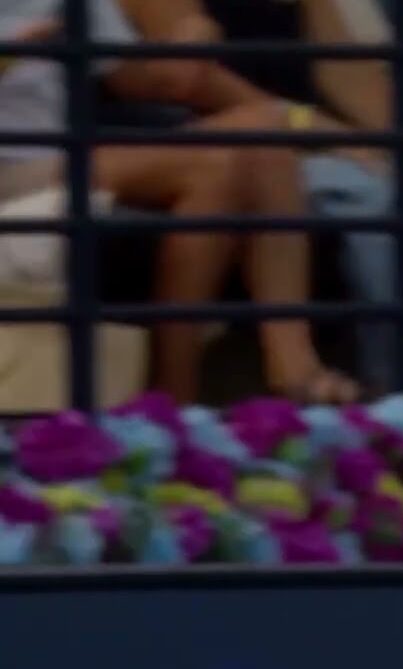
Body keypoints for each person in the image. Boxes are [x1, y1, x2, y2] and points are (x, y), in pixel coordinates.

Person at [115, 0, 403, 409]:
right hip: (231, 147)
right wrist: (334, 137)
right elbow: (193, 81)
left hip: (324, 142)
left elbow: (347, 73)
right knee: (378, 196)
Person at [0, 0, 357, 405]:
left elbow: (151, 80)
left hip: (58, 159)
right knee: (212, 168)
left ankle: (293, 365)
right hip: (11, 168)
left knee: (262, 131)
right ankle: (175, 392)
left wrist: (192, 37)